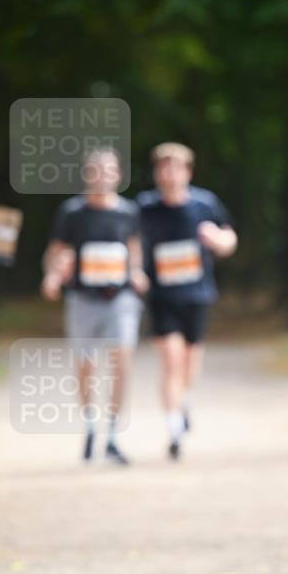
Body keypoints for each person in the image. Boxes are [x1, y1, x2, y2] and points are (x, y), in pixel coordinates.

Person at [41, 146, 148, 465]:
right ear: (87, 175)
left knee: (121, 359)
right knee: (87, 365)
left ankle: (113, 433)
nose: (102, 176)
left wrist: (137, 272)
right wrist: (52, 275)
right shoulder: (72, 212)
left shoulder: (128, 212)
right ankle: (90, 424)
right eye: (96, 170)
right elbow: (55, 252)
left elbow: (134, 249)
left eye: (109, 170)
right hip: (83, 299)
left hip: (120, 298)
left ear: (118, 175)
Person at [137, 142, 237, 459]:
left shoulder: (205, 205)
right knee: (171, 360)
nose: (169, 173)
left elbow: (229, 237)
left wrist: (219, 241)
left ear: (187, 173)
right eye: (163, 167)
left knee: (190, 363)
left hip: (197, 294)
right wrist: (136, 270)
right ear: (156, 173)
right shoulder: (144, 208)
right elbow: (130, 242)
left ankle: (184, 399)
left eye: (175, 167)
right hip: (162, 296)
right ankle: (174, 427)